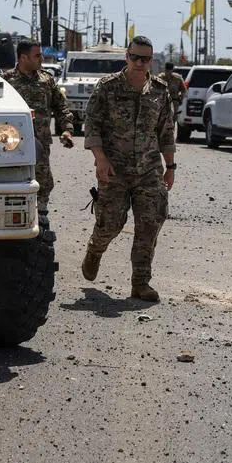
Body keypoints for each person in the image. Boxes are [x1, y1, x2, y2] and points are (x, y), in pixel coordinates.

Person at [81, 35, 176, 302]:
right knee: (111, 223)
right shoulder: (107, 87)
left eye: (145, 59)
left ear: (151, 61)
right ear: (127, 57)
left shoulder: (160, 91)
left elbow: (166, 132)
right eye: (135, 57)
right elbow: (92, 125)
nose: (139, 63)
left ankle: (141, 283)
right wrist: (100, 159)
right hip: (115, 169)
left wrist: (170, 166)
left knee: (149, 224)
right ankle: (95, 250)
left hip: (149, 170)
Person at [2, 41, 75, 219]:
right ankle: (11, 215)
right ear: (23, 58)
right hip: (12, 143)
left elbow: (61, 107)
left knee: (43, 179)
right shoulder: (6, 81)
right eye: (37, 56)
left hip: (40, 141)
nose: (42, 59)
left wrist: (67, 129)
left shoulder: (46, 79)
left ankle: (41, 215)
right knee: (12, 179)